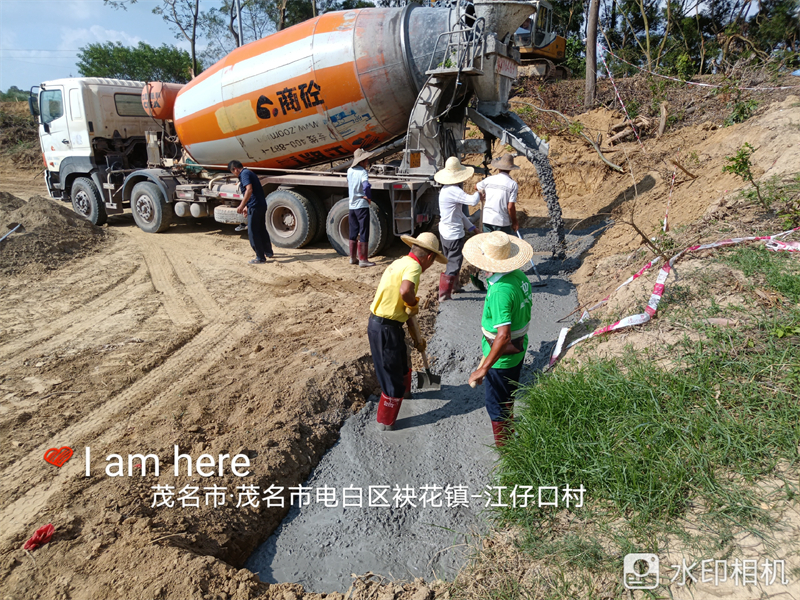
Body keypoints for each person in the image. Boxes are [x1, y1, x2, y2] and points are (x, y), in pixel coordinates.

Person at [368, 231, 447, 431]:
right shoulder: (414, 267)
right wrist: (413, 302)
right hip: (385, 328)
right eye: (432, 262)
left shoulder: (400, 262)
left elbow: (406, 311)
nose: (430, 267)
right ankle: (386, 424)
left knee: (402, 362)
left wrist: (417, 338)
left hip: (389, 325)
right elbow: (405, 291)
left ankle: (406, 394)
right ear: (429, 257)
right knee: (391, 377)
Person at [464, 231, 534, 447]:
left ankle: (506, 451)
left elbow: (502, 337)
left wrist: (484, 368)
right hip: (517, 349)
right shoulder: (519, 277)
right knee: (507, 397)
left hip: (503, 358)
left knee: (496, 404)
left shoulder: (500, 291)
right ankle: (509, 425)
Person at [435, 156, 481, 302]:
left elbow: (459, 214)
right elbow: (473, 201)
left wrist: (472, 228)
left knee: (452, 260)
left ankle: (454, 286)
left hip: (446, 231)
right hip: (453, 233)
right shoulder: (453, 190)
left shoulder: (445, 190)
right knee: (454, 262)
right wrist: (479, 190)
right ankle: (444, 294)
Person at [229, 160, 273, 264]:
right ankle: (268, 251)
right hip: (260, 204)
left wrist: (242, 205)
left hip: (255, 206)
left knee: (253, 232)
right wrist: (246, 206)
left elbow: (249, 190)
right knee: (261, 229)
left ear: (235, 169)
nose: (234, 174)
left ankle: (260, 257)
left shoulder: (244, 174)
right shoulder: (249, 172)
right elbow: (254, 193)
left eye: (233, 172)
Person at [476, 154, 519, 234]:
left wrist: (483, 193)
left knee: (489, 244)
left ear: (499, 168)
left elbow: (476, 187)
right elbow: (510, 207)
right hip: (502, 221)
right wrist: (514, 222)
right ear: (510, 169)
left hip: (487, 219)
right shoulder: (512, 184)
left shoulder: (489, 180)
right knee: (503, 245)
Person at [348, 148, 377, 268]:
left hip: (351, 205)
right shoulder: (363, 172)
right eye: (366, 159)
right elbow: (366, 186)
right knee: (364, 231)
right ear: (362, 161)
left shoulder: (349, 170)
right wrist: (368, 197)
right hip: (362, 205)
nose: (368, 161)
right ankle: (363, 259)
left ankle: (352, 258)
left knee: (353, 231)